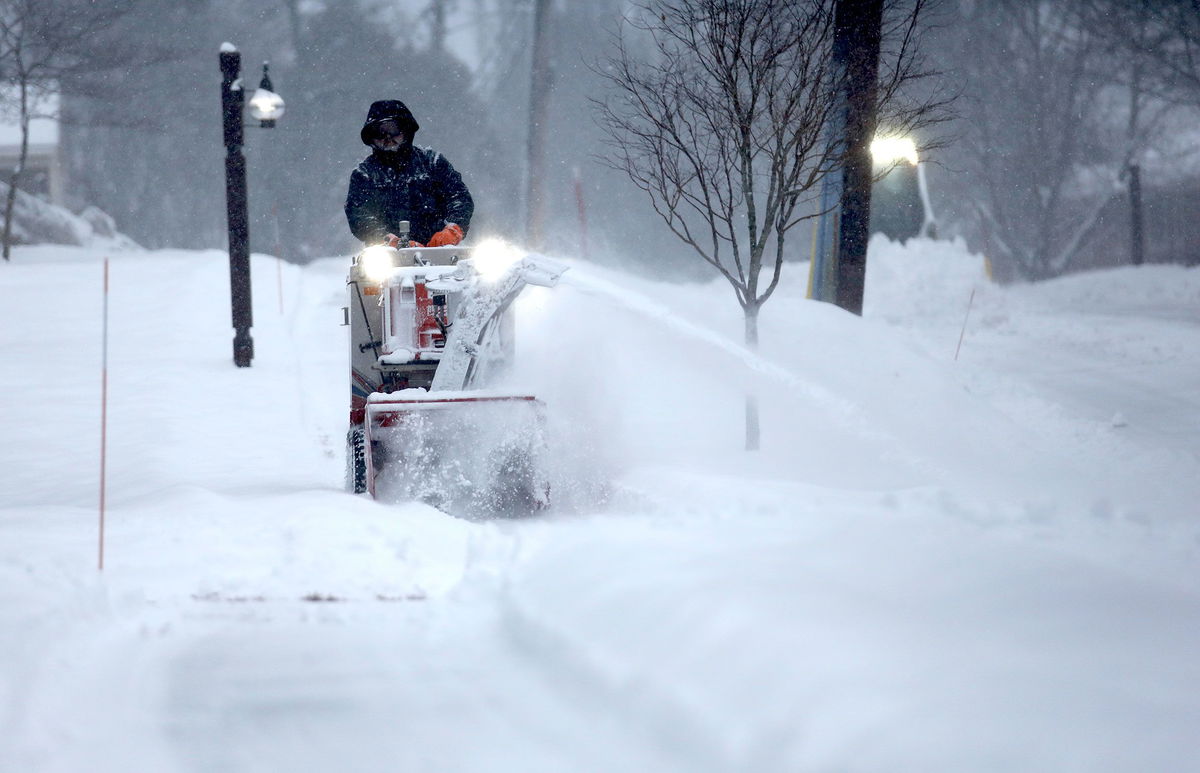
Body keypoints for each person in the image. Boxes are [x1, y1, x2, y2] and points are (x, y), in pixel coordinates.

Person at [345, 100, 473, 248]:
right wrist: (387, 240)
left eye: (393, 130)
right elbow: (359, 215)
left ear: (406, 131)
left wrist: (453, 228)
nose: (387, 138)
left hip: (441, 252)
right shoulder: (364, 174)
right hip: (386, 259)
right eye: (380, 132)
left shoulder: (433, 163)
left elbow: (459, 197)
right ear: (372, 137)